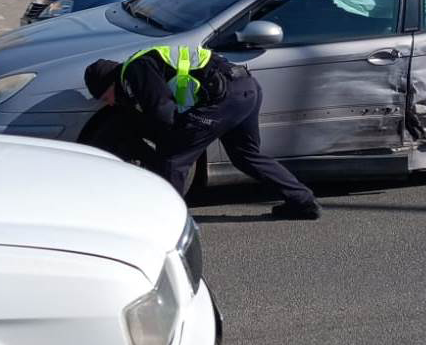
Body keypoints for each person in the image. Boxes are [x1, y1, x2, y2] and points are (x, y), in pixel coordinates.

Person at [83, 45, 320, 220]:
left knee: (173, 160)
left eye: (106, 98)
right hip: (247, 88)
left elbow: (163, 113)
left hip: (224, 97)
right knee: (246, 156)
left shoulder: (136, 70)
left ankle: (168, 220)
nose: (110, 103)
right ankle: (302, 201)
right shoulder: (143, 63)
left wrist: (157, 144)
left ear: (110, 83)